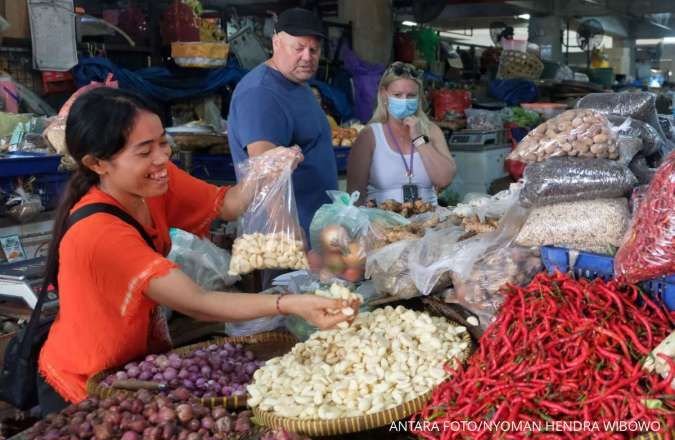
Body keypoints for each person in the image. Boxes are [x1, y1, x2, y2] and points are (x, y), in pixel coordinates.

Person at [37, 88, 356, 413]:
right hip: (85, 384)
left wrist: (265, 168)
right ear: (98, 163)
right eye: (144, 151)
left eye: (162, 142)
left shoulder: (154, 182)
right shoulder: (100, 233)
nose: (162, 158)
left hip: (136, 371)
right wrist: (290, 303)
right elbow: (198, 302)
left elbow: (229, 205)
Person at [227, 7, 337, 240]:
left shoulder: (297, 82)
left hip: (314, 231)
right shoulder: (261, 93)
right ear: (276, 43)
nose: (307, 57)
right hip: (286, 237)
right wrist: (288, 235)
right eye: (298, 48)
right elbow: (267, 174)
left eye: (314, 50)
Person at [346, 61, 456, 205]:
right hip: (383, 221)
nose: (404, 100)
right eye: (397, 95)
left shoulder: (432, 131)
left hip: (428, 220)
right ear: (384, 94)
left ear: (419, 97)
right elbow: (354, 195)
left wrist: (419, 139)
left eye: (411, 95)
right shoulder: (370, 135)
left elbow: (444, 179)